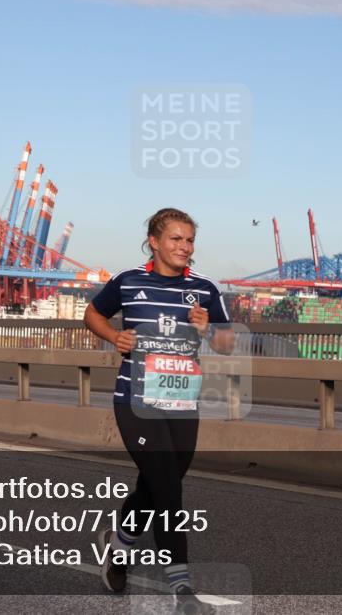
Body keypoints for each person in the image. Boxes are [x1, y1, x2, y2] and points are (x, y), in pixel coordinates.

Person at [83, 207, 233, 615]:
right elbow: (91, 313)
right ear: (154, 240)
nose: (185, 247)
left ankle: (118, 546)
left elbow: (226, 344)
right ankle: (182, 591)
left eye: (189, 240)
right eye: (176, 239)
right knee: (168, 489)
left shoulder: (204, 288)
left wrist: (209, 330)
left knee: (157, 483)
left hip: (182, 403)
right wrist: (115, 336)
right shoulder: (129, 281)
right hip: (137, 402)